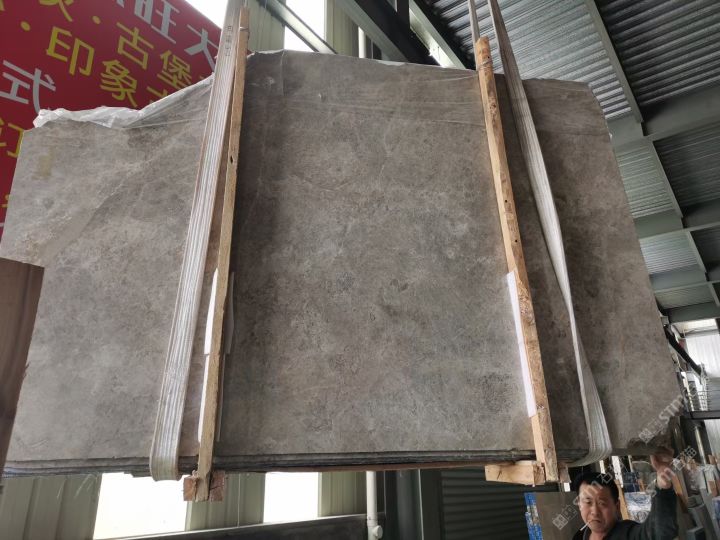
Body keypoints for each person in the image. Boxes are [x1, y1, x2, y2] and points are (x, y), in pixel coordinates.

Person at [571, 453, 678, 539]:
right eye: (588, 502)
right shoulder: (580, 536)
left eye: (602, 503)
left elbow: (658, 533)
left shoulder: (629, 534)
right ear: (579, 505)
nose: (594, 511)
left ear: (617, 507)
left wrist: (663, 485)